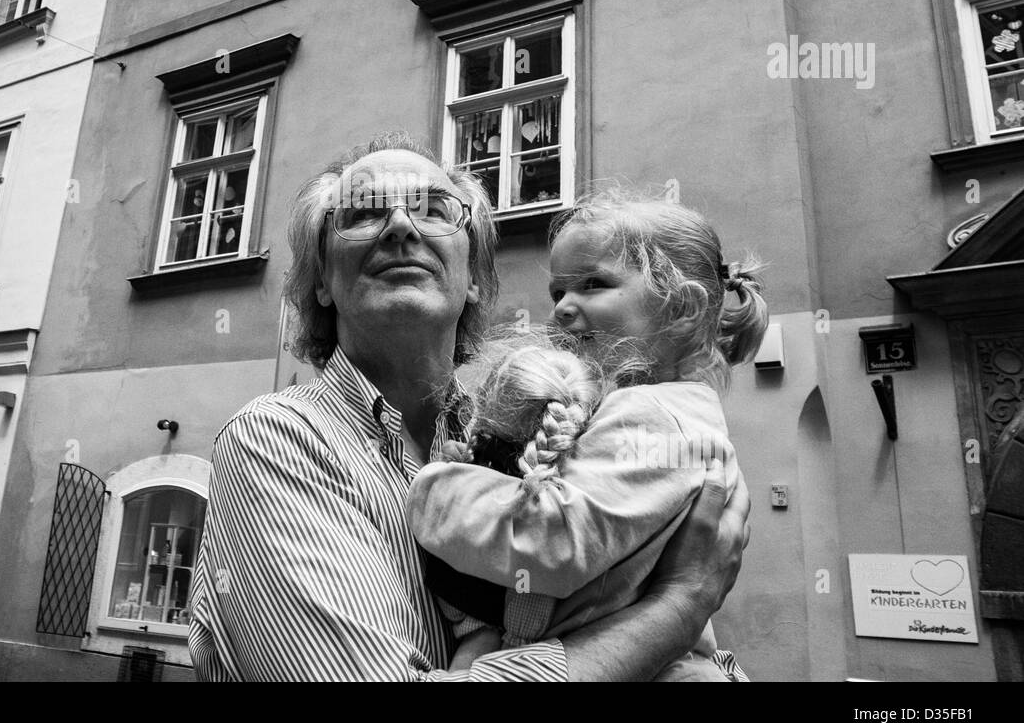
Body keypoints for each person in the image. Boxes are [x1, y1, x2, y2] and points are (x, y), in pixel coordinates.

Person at [188, 135, 751, 681]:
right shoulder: (276, 440)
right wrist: (679, 607)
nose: (401, 226)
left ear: (474, 280)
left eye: (433, 209)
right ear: (323, 283)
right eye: (362, 215)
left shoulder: (534, 420)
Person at [406, 188, 769, 680]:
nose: (562, 308)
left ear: (681, 306)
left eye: (593, 284)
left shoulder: (655, 417)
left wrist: (438, 487)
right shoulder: (639, 408)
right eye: (558, 292)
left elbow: (555, 543)